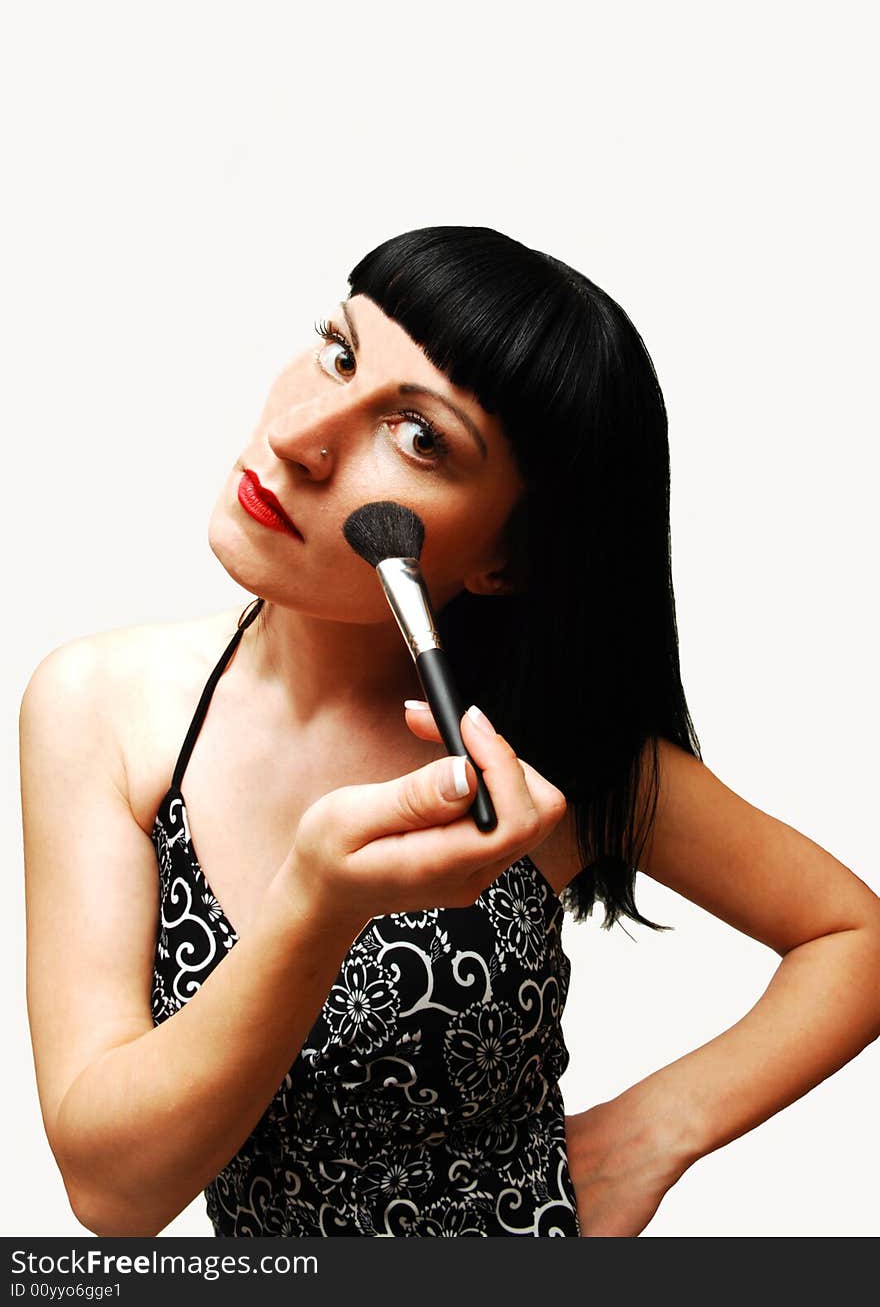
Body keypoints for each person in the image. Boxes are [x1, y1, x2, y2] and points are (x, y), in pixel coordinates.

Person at [20, 225, 880, 1239]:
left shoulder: (539, 758)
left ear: (506, 559)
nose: (303, 431)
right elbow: (115, 1196)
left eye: (419, 436)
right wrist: (320, 904)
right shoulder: (101, 712)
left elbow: (850, 935)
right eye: (339, 352)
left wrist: (653, 1132)